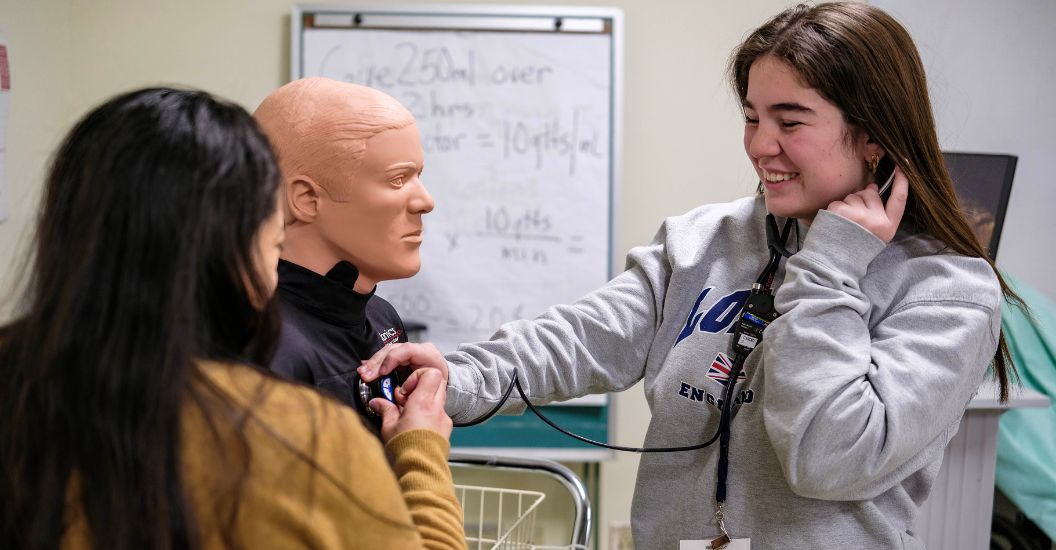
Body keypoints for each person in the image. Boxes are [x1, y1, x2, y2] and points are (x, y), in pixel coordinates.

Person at [360, 3, 1026, 548]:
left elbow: (830, 458)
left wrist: (829, 268)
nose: (761, 145)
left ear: (875, 135)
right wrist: (456, 379)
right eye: (752, 117)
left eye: (790, 122)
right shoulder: (703, 241)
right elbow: (580, 338)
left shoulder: (948, 292)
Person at [0, 87, 465, 549]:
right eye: (399, 178)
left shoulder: (29, 377)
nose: (425, 201)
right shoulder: (295, 424)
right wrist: (422, 450)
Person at [253, 77, 434, 414]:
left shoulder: (380, 318)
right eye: (398, 179)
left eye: (419, 177)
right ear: (307, 199)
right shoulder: (267, 350)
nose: (425, 201)